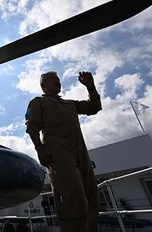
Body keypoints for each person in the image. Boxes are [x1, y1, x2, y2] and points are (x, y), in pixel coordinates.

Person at [24, 71, 102, 232]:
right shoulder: (38, 102)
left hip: (80, 152)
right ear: (43, 85)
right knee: (71, 194)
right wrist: (39, 147)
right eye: (53, 80)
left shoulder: (69, 104)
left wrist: (90, 87)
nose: (57, 82)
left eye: (58, 80)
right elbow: (32, 126)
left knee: (90, 195)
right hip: (58, 152)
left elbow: (94, 107)